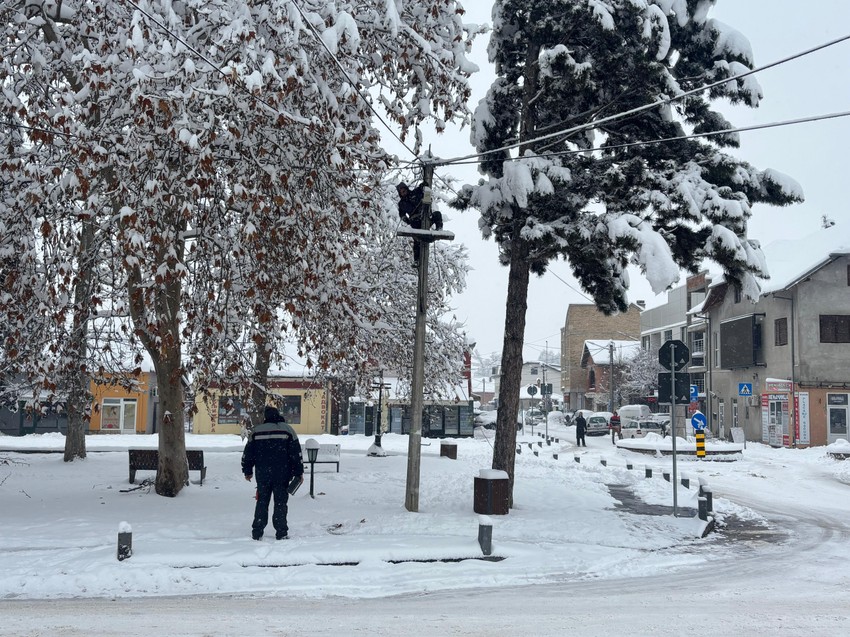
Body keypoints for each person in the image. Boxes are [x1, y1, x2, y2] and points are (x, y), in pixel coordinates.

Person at [241, 406, 304, 540]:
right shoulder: (287, 430)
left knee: (262, 501)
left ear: (265, 417)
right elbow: (296, 453)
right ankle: (281, 532)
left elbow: (248, 453)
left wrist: (247, 471)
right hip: (282, 473)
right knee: (280, 502)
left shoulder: (256, 431)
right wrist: (299, 473)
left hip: (263, 473)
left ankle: (257, 531)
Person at [396, 182, 444, 267]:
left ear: (406, 189)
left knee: (437, 214)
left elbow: (422, 188)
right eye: (401, 192)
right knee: (417, 241)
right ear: (400, 194)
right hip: (415, 221)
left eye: (404, 190)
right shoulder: (402, 203)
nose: (403, 193)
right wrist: (407, 221)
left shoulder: (415, 192)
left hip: (425, 218)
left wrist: (423, 185)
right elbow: (402, 215)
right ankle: (417, 260)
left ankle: (439, 230)